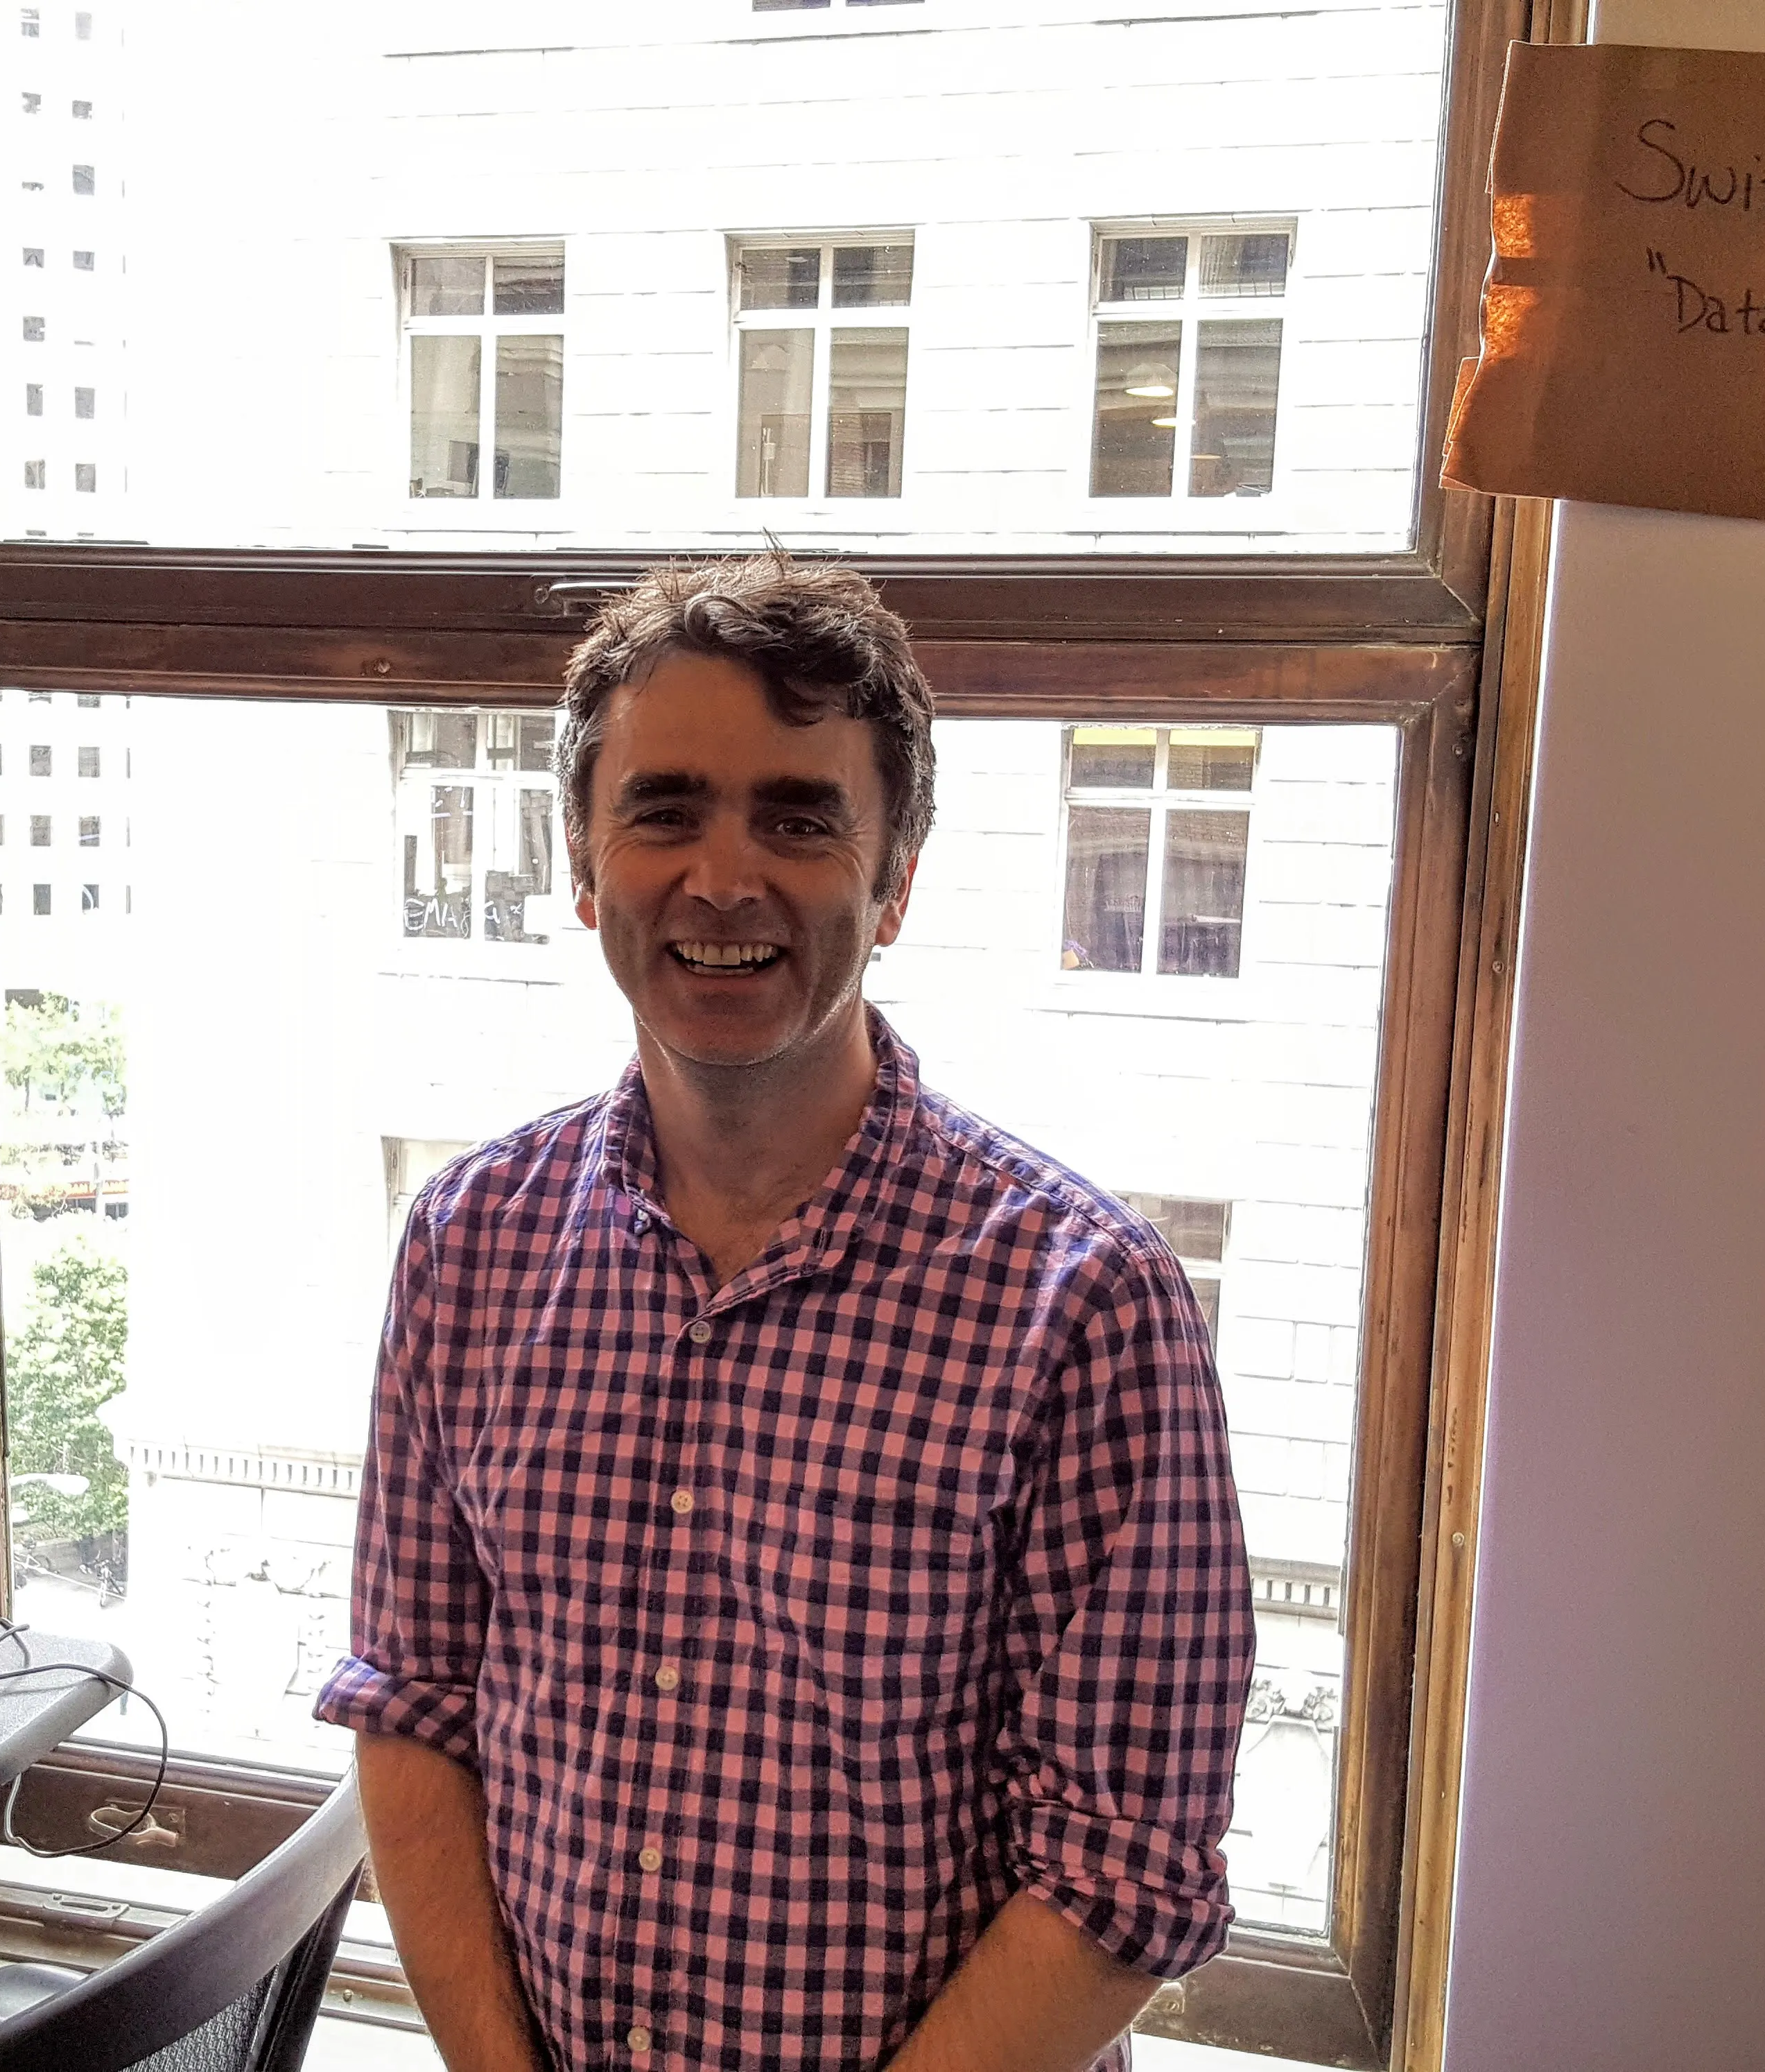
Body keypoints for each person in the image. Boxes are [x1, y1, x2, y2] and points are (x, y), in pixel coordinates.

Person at [315, 554, 1255, 2072]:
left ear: (893, 886)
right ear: (581, 860)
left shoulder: (1086, 1308)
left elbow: (1121, 1868)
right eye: (665, 809)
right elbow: (417, 1707)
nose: (722, 877)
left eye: (800, 819)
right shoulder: (467, 1242)